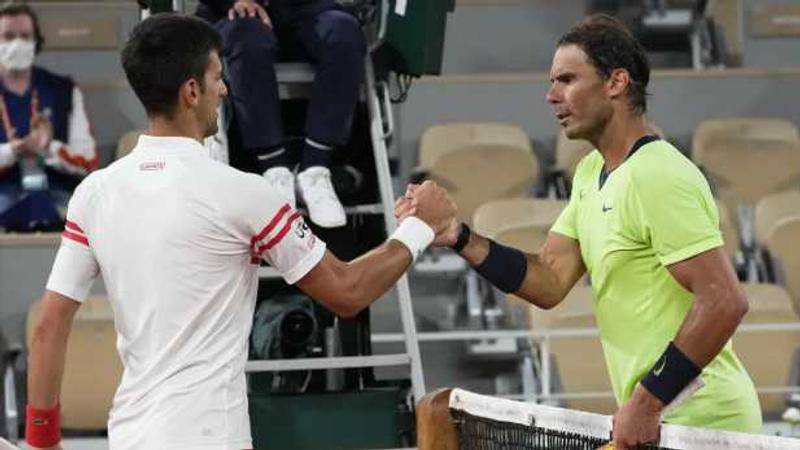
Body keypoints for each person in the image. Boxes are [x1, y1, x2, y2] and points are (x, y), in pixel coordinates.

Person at [25, 14, 453, 450]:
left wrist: (42, 441)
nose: (225, 89)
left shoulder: (95, 193)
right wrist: (420, 228)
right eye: (217, 77)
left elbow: (49, 324)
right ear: (191, 92)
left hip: (132, 436)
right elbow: (347, 292)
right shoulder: (244, 193)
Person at [398, 14, 761, 450]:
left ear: (616, 83)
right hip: (660, 420)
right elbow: (549, 280)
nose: (552, 96)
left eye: (567, 80)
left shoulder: (659, 174)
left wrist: (646, 403)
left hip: (704, 424)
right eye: (553, 82)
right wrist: (457, 235)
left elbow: (724, 299)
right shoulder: (591, 173)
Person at [196, 0, 366, 228]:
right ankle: (275, 171)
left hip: (302, 10)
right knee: (247, 38)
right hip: (233, 14)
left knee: (344, 31)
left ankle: (314, 170)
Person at [0, 3, 97, 231]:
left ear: (36, 42)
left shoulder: (63, 89)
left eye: (25, 36)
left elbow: (88, 159)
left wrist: (49, 148)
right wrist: (12, 151)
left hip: (58, 196)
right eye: (8, 36)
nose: (17, 43)